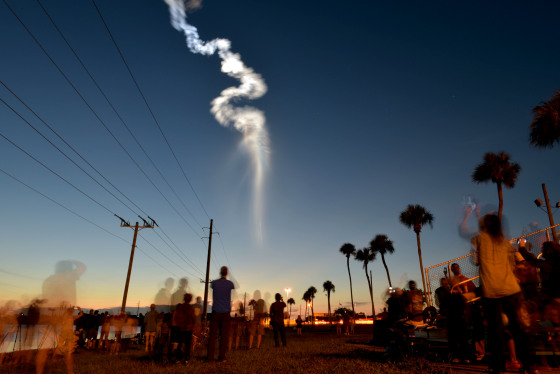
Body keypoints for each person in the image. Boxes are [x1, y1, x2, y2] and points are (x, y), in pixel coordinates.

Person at [473, 213, 534, 374]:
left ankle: (499, 365)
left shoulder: (480, 240)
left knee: (496, 331)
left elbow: (476, 260)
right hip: (511, 289)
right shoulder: (505, 243)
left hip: (493, 291)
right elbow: (520, 260)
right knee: (516, 328)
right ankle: (527, 365)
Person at [207, 266, 235, 362]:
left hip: (215, 312)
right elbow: (235, 286)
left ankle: (210, 357)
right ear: (226, 273)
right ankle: (221, 357)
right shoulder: (230, 284)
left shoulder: (214, 283)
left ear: (220, 272)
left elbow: (212, 286)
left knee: (212, 335)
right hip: (225, 313)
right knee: (224, 336)